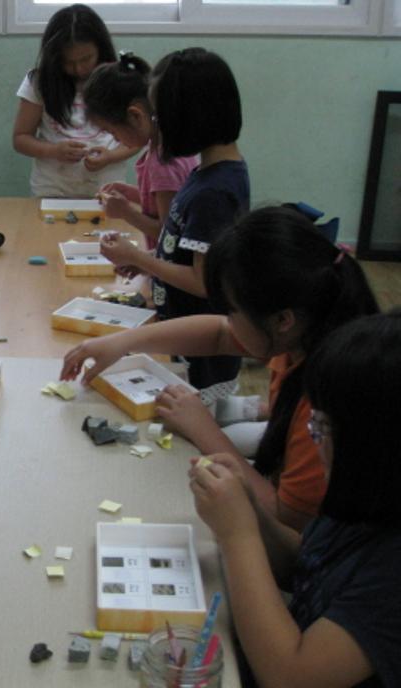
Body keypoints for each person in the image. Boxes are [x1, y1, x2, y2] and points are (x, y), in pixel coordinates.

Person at [62, 206, 379, 531]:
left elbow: (287, 520)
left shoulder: (325, 404)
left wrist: (203, 429)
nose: (228, 321)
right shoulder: (304, 330)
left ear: (282, 320)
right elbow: (218, 335)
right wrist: (123, 341)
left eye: (232, 311)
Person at [189, 310, 401, 687]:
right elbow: (306, 566)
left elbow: (289, 676)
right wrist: (251, 512)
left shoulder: (391, 573)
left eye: (323, 427)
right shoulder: (367, 500)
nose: (313, 439)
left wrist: (239, 535)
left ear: (377, 446)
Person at [95, 47, 249, 401]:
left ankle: (240, 414)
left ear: (189, 117)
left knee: (194, 418)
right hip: (182, 333)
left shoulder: (215, 191)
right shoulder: (206, 174)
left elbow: (202, 281)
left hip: (201, 354)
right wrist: (147, 262)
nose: (155, 125)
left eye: (159, 116)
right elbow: (182, 246)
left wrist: (139, 257)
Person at [12, 4, 138, 198]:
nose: (78, 69)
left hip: (106, 188)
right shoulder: (39, 82)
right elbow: (20, 138)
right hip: (52, 188)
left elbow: (139, 138)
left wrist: (111, 156)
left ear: (101, 49)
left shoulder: (119, 80)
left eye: (86, 59)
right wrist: (53, 151)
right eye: (68, 62)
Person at [82, 52, 199, 248]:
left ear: (135, 116)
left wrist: (127, 213)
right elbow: (165, 203)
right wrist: (131, 194)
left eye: (113, 131)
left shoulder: (162, 162)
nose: (115, 139)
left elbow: (169, 233)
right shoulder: (169, 144)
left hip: (166, 263)